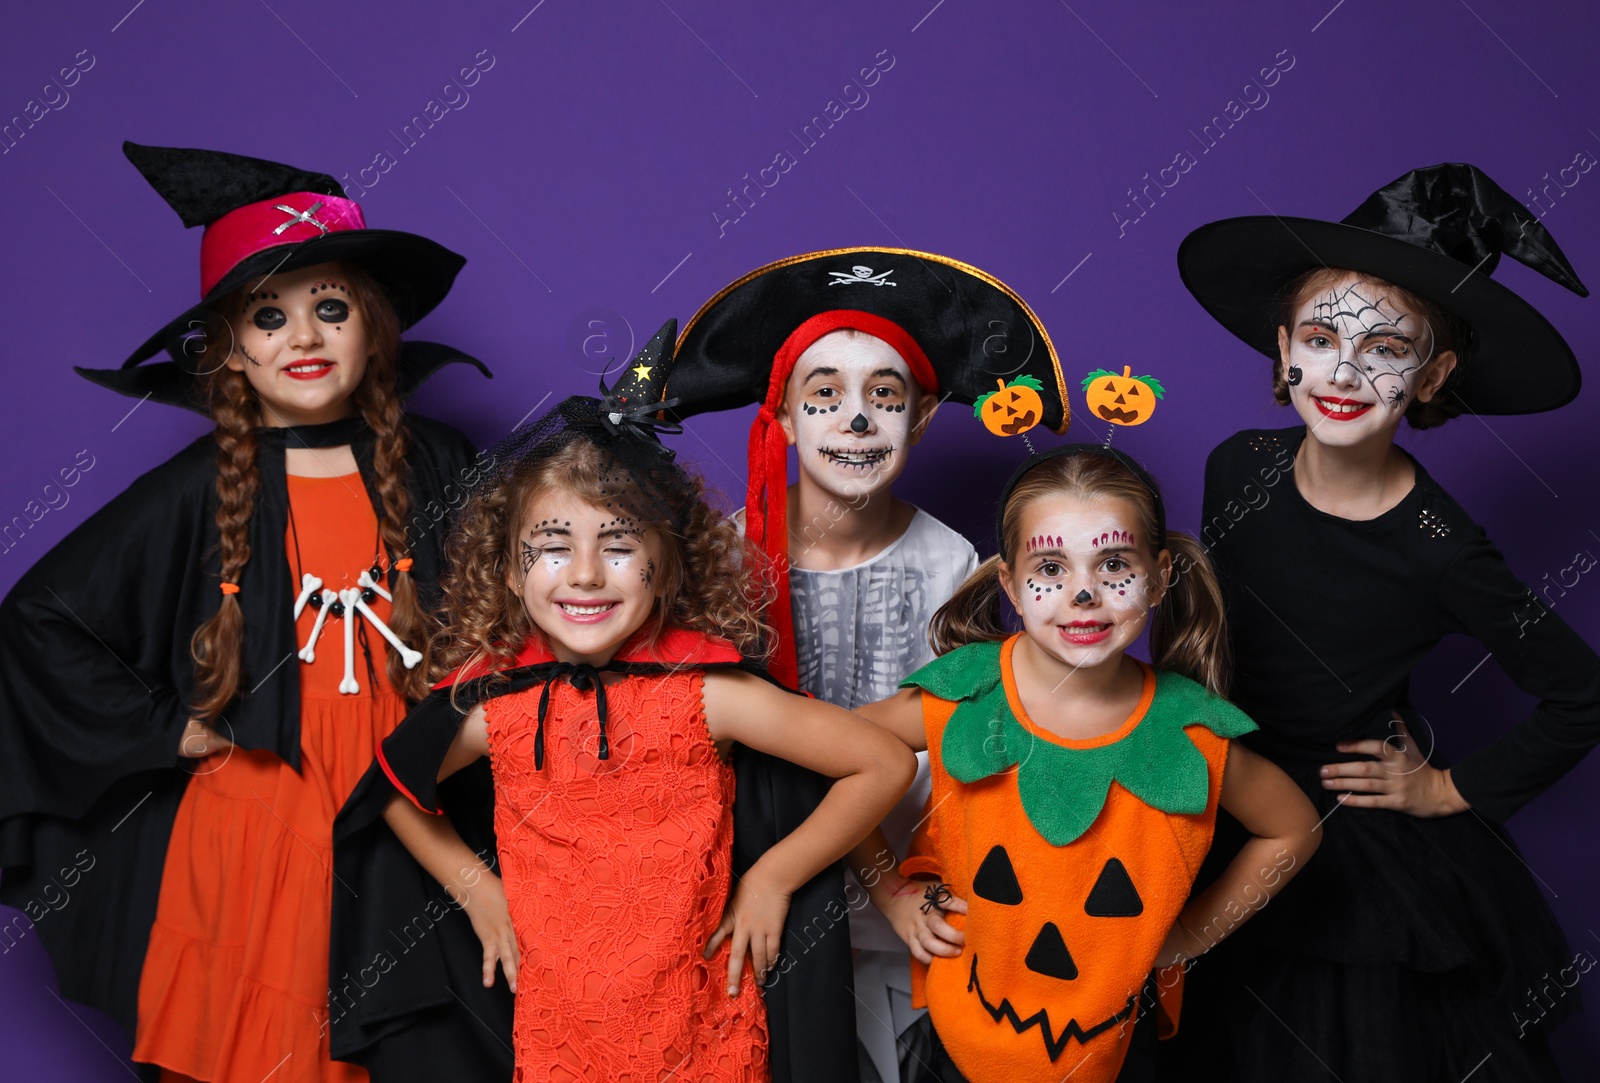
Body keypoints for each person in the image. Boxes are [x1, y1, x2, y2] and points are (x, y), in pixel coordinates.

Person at [0, 142, 488, 1082]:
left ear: (374, 328)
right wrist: (164, 730)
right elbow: (37, 621)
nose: (303, 338)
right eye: (270, 317)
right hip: (259, 825)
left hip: (410, 800)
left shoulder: (438, 457)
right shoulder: (194, 488)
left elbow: (517, 613)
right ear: (227, 347)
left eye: (330, 309)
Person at [332, 322, 916, 1081]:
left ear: (665, 567)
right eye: (551, 545)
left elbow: (882, 760)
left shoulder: (710, 695)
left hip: (703, 1028)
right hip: (559, 1037)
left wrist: (775, 875)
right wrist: (475, 888)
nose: (584, 574)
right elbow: (392, 787)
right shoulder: (495, 707)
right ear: (511, 570)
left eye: (618, 544)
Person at [1165, 162, 1600, 1081]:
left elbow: (1582, 691)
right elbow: (1204, 631)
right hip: (1217, 795)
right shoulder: (1234, 467)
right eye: (1321, 338)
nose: (1346, 370)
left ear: (1434, 374)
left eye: (1386, 348)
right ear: (1284, 350)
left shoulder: (1441, 544)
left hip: (1348, 845)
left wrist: (1448, 787)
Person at [669, 247, 1070, 1083]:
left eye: (882, 398)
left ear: (921, 418)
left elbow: (959, 746)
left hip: (912, 909)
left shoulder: (953, 564)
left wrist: (897, 885)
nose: (855, 421)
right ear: (780, 417)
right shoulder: (720, 561)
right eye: (826, 396)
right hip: (758, 904)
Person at [852, 445, 1322, 1083]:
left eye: (1113, 565)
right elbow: (842, 758)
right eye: (1051, 566)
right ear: (1011, 585)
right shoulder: (962, 696)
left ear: (1158, 577)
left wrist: (1192, 935)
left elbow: (1295, 827)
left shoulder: (1190, 733)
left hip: (1116, 1050)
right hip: (963, 1039)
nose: (1082, 592)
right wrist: (894, 896)